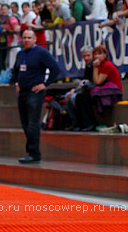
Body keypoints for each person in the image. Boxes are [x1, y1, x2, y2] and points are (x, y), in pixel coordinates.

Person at [10, 29, 62, 163]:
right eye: (24, 38)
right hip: (23, 91)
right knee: (25, 123)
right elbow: (15, 70)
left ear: (35, 39)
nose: (26, 40)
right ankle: (31, 150)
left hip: (35, 91)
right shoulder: (20, 53)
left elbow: (55, 69)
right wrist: (16, 82)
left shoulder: (41, 53)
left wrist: (45, 84)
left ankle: (34, 153)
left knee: (33, 122)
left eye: (29, 38)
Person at [75, 45, 122, 130]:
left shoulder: (107, 65)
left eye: (99, 54)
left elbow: (97, 81)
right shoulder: (99, 64)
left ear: (105, 55)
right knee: (79, 96)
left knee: (85, 96)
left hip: (112, 91)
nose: (97, 56)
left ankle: (91, 123)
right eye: (95, 54)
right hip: (104, 88)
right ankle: (81, 124)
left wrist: (95, 68)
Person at [64, 46, 94, 130]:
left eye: (88, 55)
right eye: (84, 56)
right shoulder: (88, 66)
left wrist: (75, 91)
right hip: (84, 88)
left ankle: (79, 123)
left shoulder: (93, 65)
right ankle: (74, 123)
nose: (86, 58)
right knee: (68, 96)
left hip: (90, 89)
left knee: (74, 97)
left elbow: (89, 81)